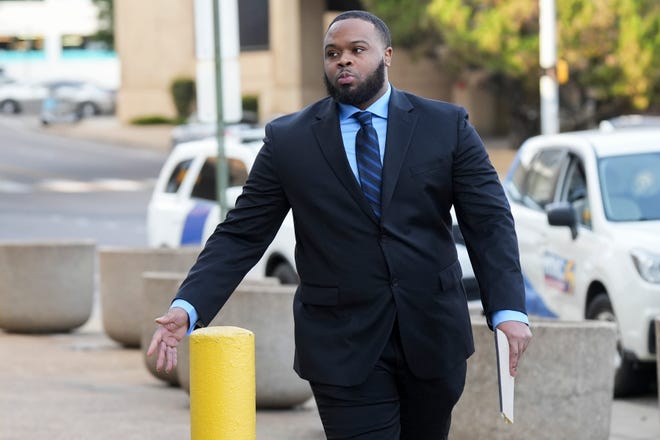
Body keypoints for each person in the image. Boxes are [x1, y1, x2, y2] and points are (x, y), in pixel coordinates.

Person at [148, 10, 532, 439]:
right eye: (333, 53)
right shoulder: (288, 140)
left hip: (433, 336)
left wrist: (508, 309)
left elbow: (489, 221)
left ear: (387, 56)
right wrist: (188, 306)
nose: (343, 60)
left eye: (356, 50)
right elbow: (242, 232)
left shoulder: (446, 126)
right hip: (341, 344)